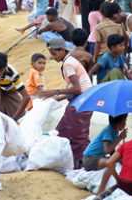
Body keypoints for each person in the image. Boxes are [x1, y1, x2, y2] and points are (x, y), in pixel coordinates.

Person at [37, 38, 94, 168]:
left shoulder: (68, 64)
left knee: (75, 135)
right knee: (67, 130)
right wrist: (56, 98)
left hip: (81, 101)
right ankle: (75, 162)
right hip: (83, 100)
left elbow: (77, 89)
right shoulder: (70, 61)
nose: (53, 57)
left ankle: (80, 164)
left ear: (62, 50)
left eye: (54, 53)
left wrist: (55, 92)